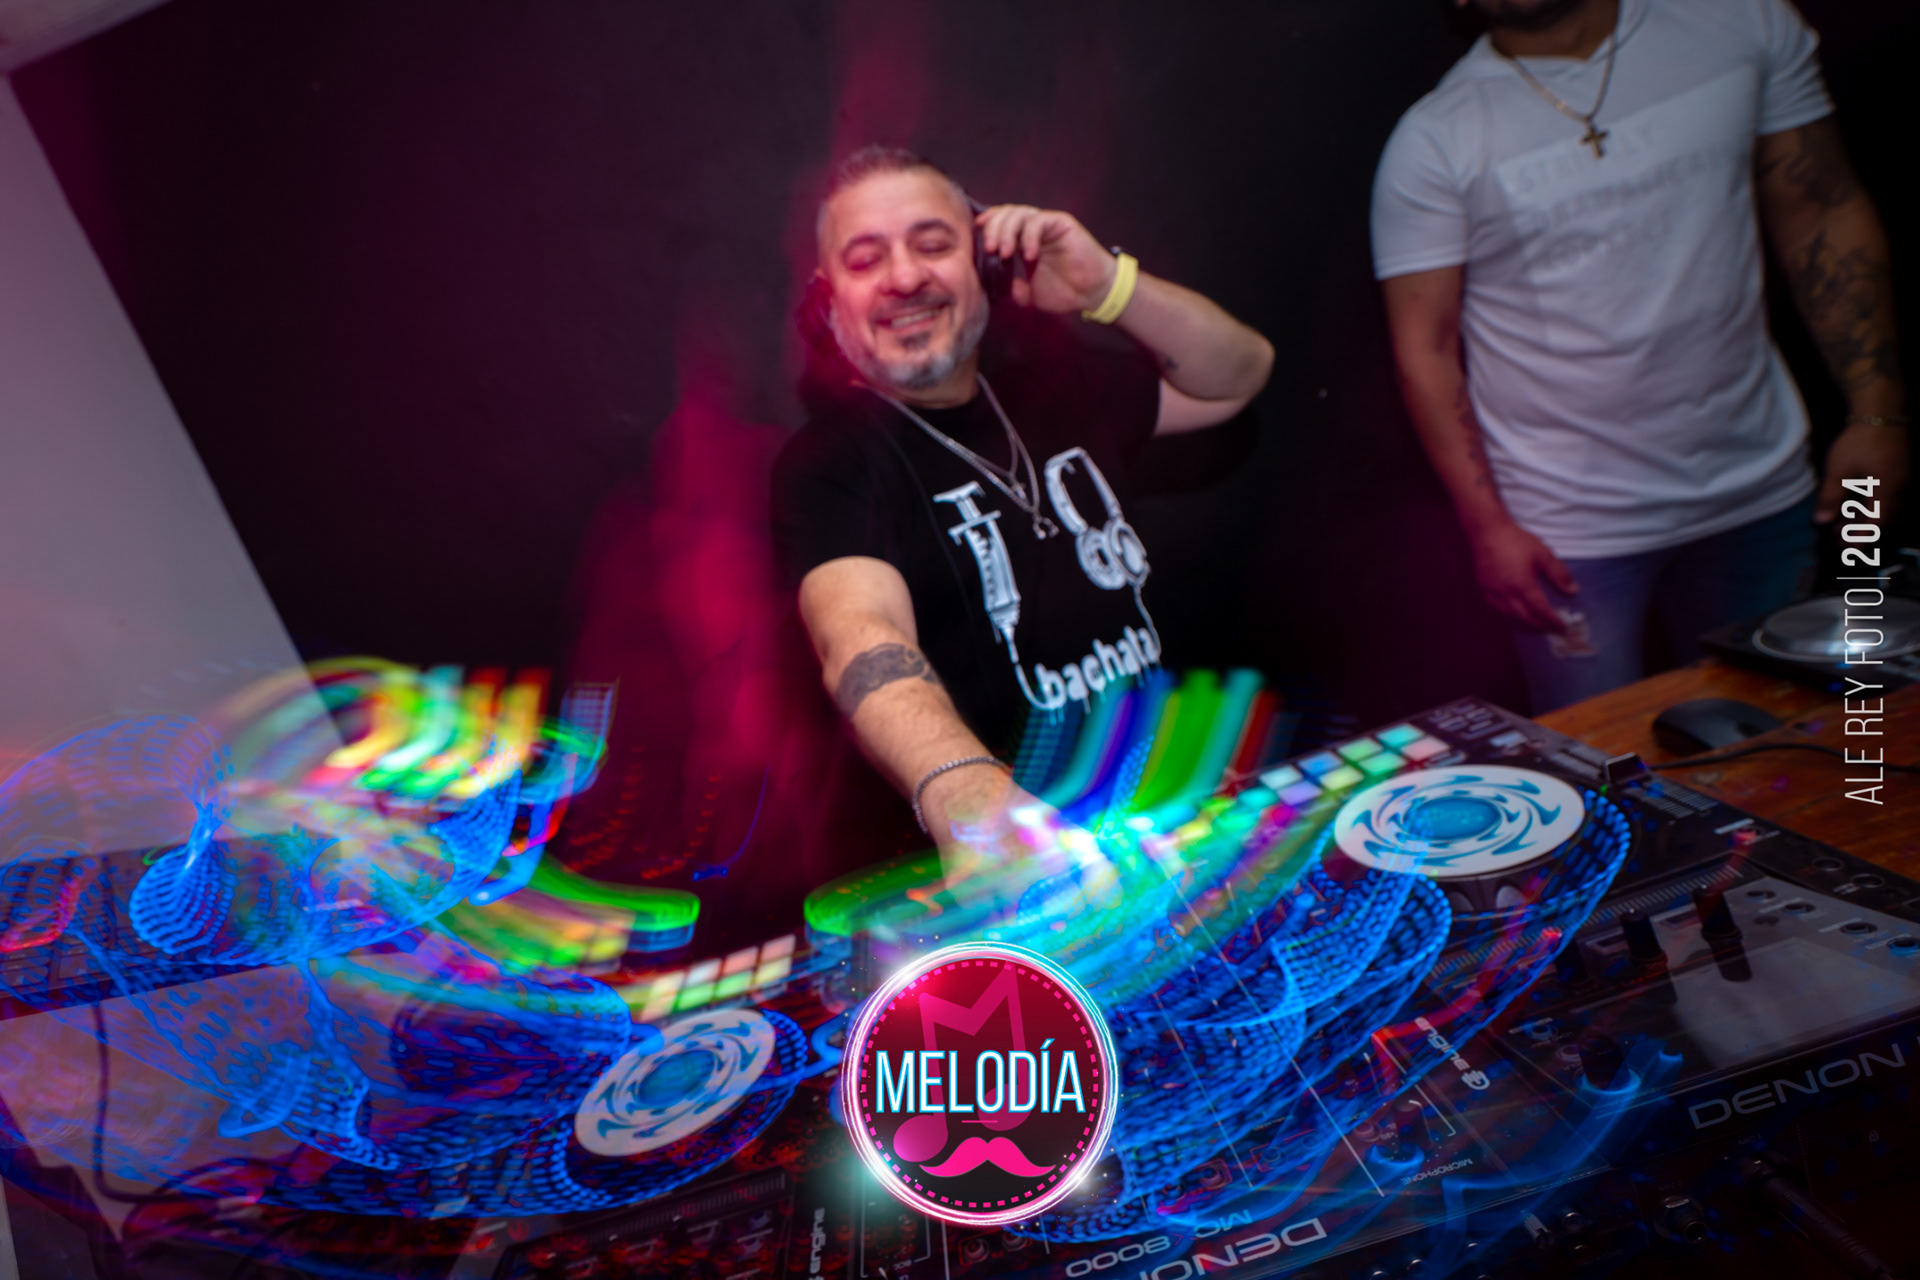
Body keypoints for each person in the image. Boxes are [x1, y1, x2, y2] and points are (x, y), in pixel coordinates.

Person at [1373, 0, 1907, 712]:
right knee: (1598, 761)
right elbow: (1426, 349)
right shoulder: (1437, 139)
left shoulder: (1740, 23)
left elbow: (1823, 209)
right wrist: (1488, 526)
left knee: (1786, 746)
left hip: (1760, 493)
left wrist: (1878, 416)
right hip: (1569, 534)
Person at [771, 146, 1272, 868]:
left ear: (985, 263)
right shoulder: (829, 464)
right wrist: (970, 797)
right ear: (829, 299)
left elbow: (1238, 375)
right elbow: (861, 638)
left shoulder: (1060, 388)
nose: (904, 278)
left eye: (933, 245)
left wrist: (1107, 286)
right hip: (1035, 857)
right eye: (865, 260)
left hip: (1173, 817)